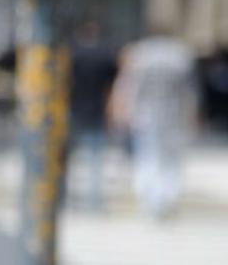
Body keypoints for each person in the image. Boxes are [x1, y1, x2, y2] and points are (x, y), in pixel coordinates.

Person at [110, 29, 199, 219]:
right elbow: (190, 92)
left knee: (148, 157)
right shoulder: (180, 56)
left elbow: (128, 88)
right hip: (173, 116)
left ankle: (151, 199)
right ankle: (166, 198)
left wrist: (123, 113)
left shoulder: (140, 55)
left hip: (146, 116)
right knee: (170, 159)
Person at [66, 18, 117, 211]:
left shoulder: (73, 54)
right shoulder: (105, 55)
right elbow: (111, 86)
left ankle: (64, 197)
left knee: (66, 158)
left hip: (74, 109)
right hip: (97, 110)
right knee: (95, 159)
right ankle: (94, 201)